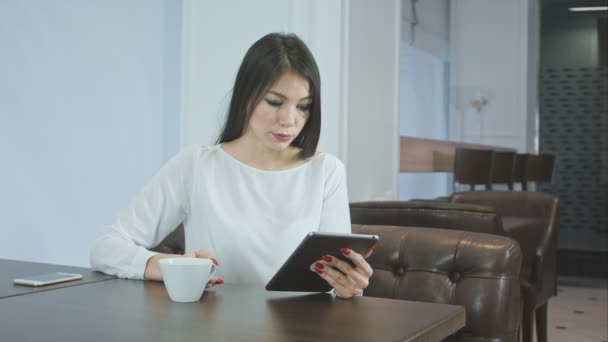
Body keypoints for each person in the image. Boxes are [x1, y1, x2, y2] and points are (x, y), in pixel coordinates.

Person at [90, 32, 373, 298]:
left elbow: (336, 278)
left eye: (303, 106)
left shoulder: (326, 171)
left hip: (300, 329)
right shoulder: (196, 165)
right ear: (245, 96)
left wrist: (348, 286)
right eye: (275, 102)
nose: (289, 120)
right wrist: (170, 265)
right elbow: (106, 248)